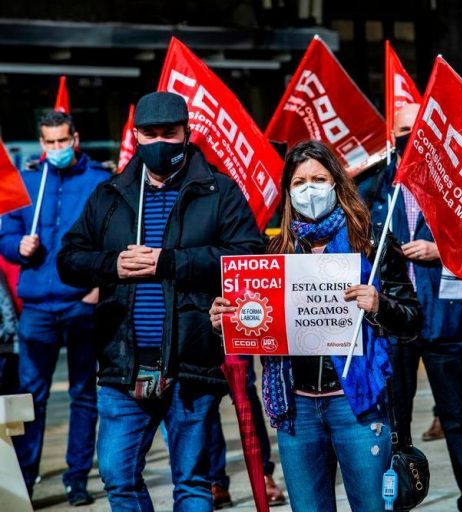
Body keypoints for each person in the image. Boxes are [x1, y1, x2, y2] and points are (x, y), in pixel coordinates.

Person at [57, 91, 264, 511]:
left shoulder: (218, 190)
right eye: (149, 134)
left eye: (169, 133)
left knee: (190, 481)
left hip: (191, 360)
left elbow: (249, 256)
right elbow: (69, 260)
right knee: (117, 475)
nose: (159, 143)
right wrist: (112, 264)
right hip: (122, 363)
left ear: (187, 133)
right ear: (136, 136)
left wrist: (171, 262)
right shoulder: (110, 195)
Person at [210, 139, 421, 512]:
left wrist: (379, 304)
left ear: (336, 182)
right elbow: (258, 324)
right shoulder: (274, 253)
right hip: (299, 408)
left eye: (318, 178)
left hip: (356, 406)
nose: (310, 188)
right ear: (288, 192)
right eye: (299, 181)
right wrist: (226, 321)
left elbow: (412, 321)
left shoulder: (371, 243)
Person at [372, 103, 462, 512]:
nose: (410, 136)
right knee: (395, 423)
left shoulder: (455, 184)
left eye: (418, 128)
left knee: (457, 416)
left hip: (442, 316)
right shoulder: (379, 185)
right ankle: (401, 497)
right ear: (393, 135)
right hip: (396, 319)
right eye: (404, 129)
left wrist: (439, 250)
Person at [0, 111, 109, 505]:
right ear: (41, 143)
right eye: (50, 142)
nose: (57, 149)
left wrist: (99, 286)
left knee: (84, 392)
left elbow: (111, 237)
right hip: (38, 306)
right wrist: (17, 247)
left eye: (63, 141)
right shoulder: (26, 181)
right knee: (32, 396)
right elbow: (6, 233)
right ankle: (25, 479)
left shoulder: (98, 180)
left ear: (75, 138)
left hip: (81, 300)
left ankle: (76, 477)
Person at [208, 355, 286, 508]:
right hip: (203, 335)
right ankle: (215, 481)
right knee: (207, 396)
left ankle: (263, 473)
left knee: (245, 389)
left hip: (235, 334)